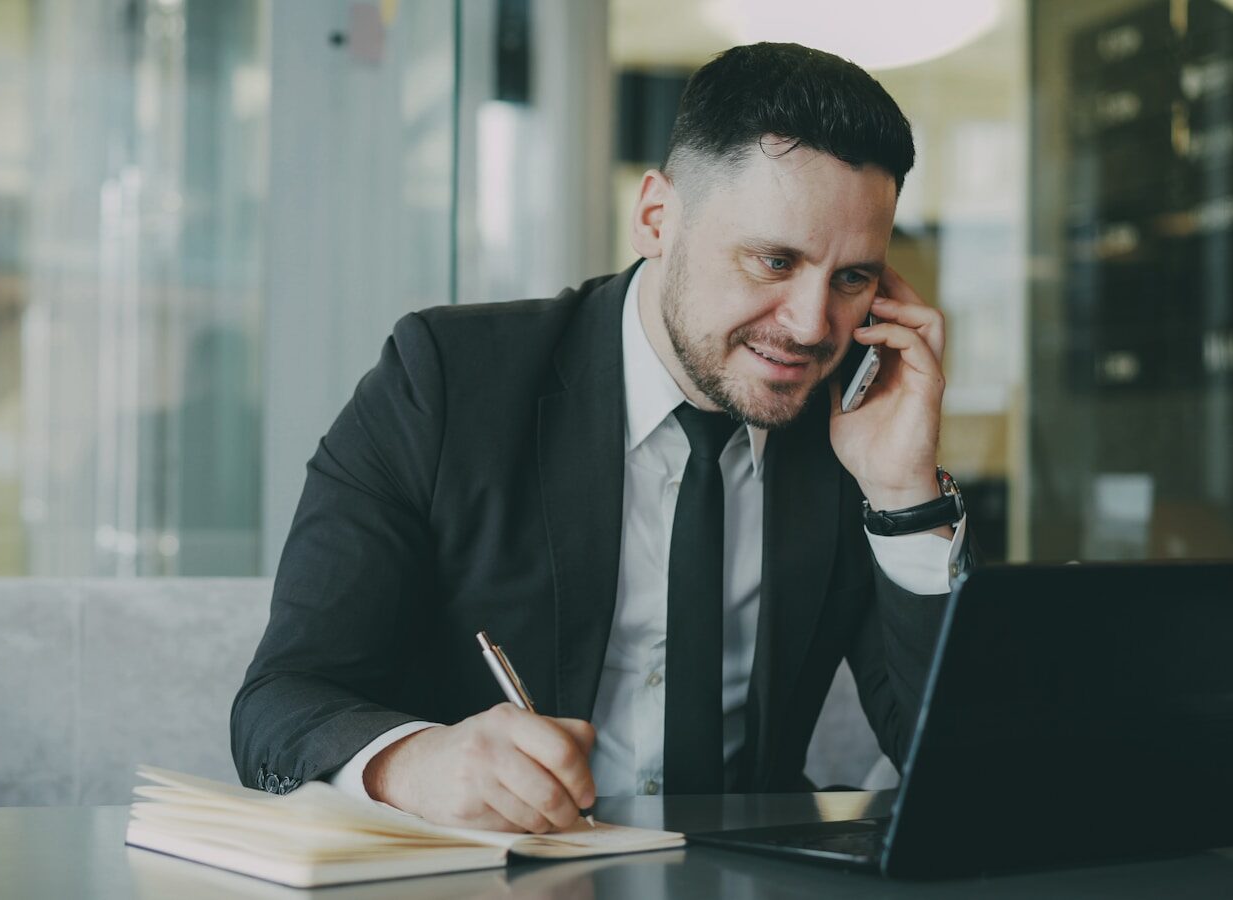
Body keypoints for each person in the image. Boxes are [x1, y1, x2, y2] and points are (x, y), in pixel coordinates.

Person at [232, 42, 970, 835]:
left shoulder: (851, 431)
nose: (810, 324)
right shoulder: (446, 381)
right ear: (656, 217)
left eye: (853, 278)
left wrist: (903, 495)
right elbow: (282, 702)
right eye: (774, 260)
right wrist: (414, 763)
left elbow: (963, 757)